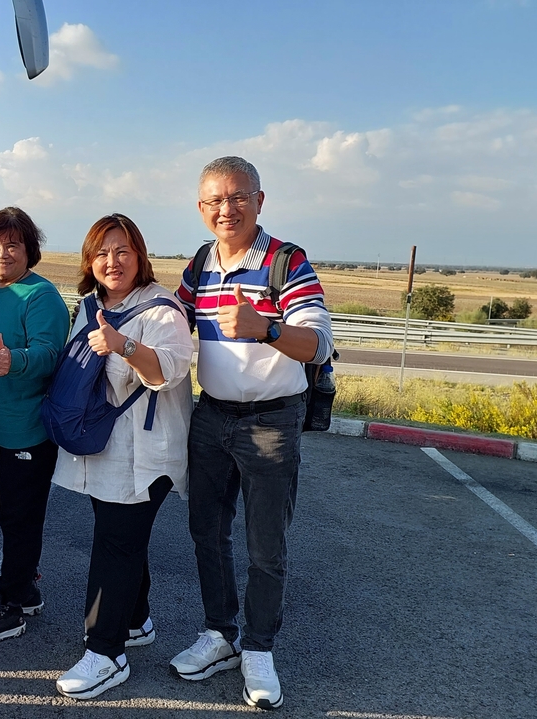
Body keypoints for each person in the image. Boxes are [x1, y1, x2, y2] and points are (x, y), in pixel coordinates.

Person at [171, 156, 334, 710]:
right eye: (215, 200)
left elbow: (318, 346)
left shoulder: (287, 261)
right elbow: (173, 312)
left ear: (259, 201)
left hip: (271, 421)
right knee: (205, 533)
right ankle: (221, 633)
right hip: (211, 414)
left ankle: (259, 650)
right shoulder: (201, 263)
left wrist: (264, 327)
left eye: (238, 197)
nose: (226, 209)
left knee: (266, 544)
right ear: (201, 209)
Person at [51, 214, 194, 700]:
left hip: (146, 456)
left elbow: (171, 371)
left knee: (115, 544)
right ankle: (135, 620)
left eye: (122, 251)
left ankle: (106, 653)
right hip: (103, 447)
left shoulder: (162, 309)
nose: (112, 261)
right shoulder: (89, 307)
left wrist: (124, 345)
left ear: (140, 255)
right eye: (101, 253)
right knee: (123, 540)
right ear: (90, 261)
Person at [0, 207, 69, 646]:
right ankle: (24, 584)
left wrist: (15, 359)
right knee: (4, 511)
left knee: (21, 517)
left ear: (29, 250)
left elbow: (47, 352)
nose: (3, 252)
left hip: (26, 429)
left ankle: (12, 604)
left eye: (14, 244)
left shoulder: (41, 296)